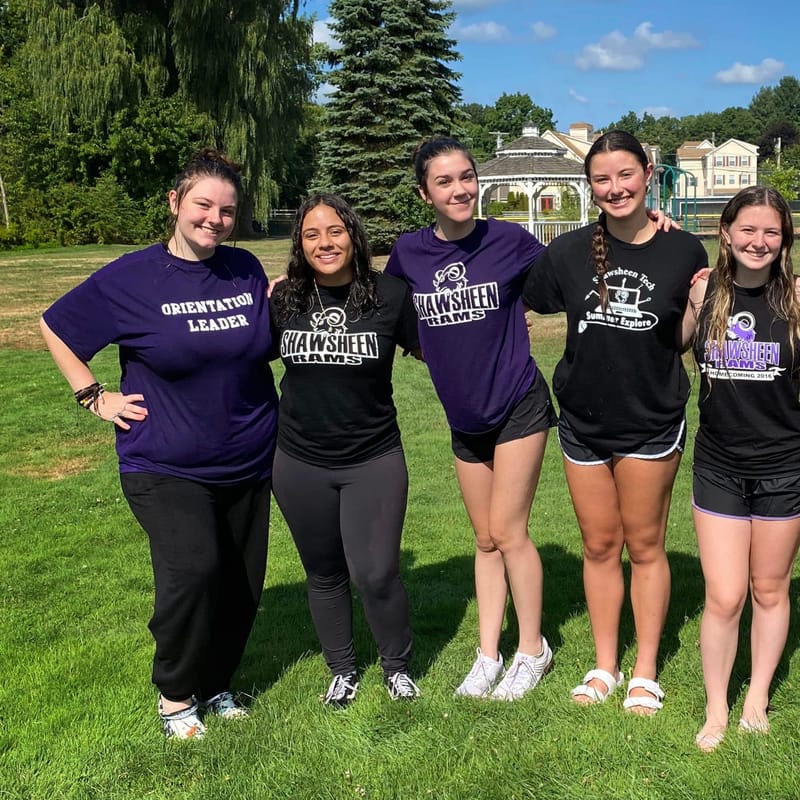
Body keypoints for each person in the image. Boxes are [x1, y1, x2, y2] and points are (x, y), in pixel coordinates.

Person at [40, 149, 278, 739]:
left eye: (226, 210)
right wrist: (95, 396)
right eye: (202, 205)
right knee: (193, 570)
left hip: (249, 455)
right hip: (164, 461)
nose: (214, 219)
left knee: (242, 583)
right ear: (174, 203)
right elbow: (56, 325)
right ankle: (176, 694)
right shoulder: (131, 278)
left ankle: (218, 682)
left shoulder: (244, 269)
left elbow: (265, 345)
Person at [523, 130, 708, 715]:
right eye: (601, 179)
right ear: (590, 186)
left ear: (648, 173)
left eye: (625, 175)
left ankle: (645, 670)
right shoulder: (569, 253)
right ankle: (605, 664)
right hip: (582, 422)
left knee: (646, 545)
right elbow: (508, 295)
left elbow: (685, 333)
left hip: (650, 420)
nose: (614, 188)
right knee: (600, 546)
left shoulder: (685, 251)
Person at [384, 137, 555, 700]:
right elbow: (384, 310)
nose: (459, 189)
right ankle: (488, 655)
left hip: (517, 404)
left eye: (466, 177)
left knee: (509, 531)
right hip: (465, 417)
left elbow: (572, 270)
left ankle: (533, 649)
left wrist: (651, 232)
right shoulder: (410, 254)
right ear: (424, 193)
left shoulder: (508, 240)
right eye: (444, 181)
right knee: (483, 539)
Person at [271, 194, 422, 706]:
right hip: (298, 460)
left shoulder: (392, 295)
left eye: (334, 231)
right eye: (311, 235)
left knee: (376, 572)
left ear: (353, 236)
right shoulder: (285, 300)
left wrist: (504, 330)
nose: (324, 243)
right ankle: (342, 667)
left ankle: (396, 665)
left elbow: (441, 346)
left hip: (373, 458)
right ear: (300, 245)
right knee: (325, 570)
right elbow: (233, 358)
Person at [683, 186, 800, 750]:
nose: (758, 241)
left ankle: (757, 698)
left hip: (785, 464)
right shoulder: (704, 291)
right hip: (718, 465)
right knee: (723, 595)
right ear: (726, 233)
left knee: (769, 588)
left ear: (784, 239)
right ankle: (717, 709)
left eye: (771, 232)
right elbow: (669, 346)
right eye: (748, 230)